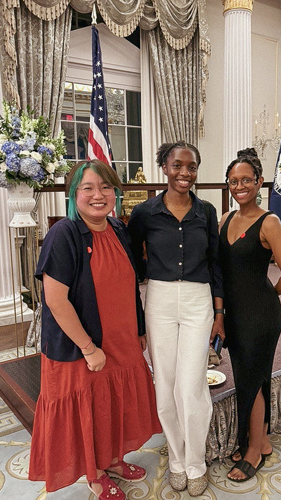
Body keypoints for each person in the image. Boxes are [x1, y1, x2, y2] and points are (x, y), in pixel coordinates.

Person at [28, 160, 162, 499]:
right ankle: (96, 471)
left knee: (112, 406)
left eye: (106, 188)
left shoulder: (118, 229)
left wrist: (140, 328)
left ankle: (113, 459)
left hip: (121, 339)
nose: (98, 195)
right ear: (74, 194)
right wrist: (89, 348)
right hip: (81, 348)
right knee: (89, 409)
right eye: (88, 188)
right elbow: (56, 302)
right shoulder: (64, 234)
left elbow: (130, 285)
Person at [127, 141, 224, 497]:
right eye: (178, 165)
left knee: (190, 385)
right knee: (165, 385)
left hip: (199, 300)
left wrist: (218, 312)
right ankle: (178, 460)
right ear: (164, 167)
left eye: (192, 167)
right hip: (160, 300)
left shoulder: (207, 211)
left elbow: (216, 263)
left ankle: (196, 461)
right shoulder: (145, 213)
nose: (185, 173)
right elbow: (133, 264)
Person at [219, 148, 281, 482]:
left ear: (259, 182)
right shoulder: (225, 218)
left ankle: (253, 451)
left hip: (261, 316)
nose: (240, 186)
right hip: (234, 315)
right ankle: (261, 440)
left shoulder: (270, 221)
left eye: (246, 180)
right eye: (234, 181)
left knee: (251, 377)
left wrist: (264, 296)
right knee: (251, 376)